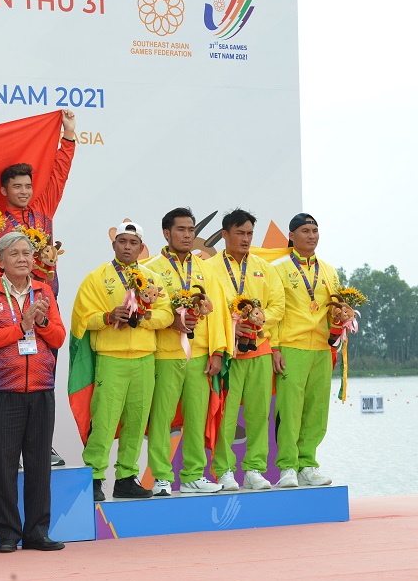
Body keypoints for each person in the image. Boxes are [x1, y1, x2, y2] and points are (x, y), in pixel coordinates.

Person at [0, 232, 66, 553]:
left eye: (27, 252)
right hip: (3, 391)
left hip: (41, 389)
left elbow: (58, 337)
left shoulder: (43, 291)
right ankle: (8, 534)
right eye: (15, 254)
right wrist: (21, 327)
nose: (23, 258)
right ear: (0, 260)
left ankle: (37, 532)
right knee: (5, 465)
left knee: (39, 465)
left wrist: (40, 322)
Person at [0, 110, 76, 467]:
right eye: (17, 187)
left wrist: (68, 137)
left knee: (44, 375)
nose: (24, 192)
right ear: (4, 190)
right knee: (10, 380)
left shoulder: (43, 212)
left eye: (28, 186)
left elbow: (59, 174)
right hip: (8, 308)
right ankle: (9, 449)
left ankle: (44, 446)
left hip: (44, 303)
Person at [72, 222, 174, 501]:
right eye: (122, 242)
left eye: (133, 243)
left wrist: (145, 317)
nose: (127, 247)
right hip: (111, 358)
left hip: (144, 359)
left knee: (137, 422)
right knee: (104, 422)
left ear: (141, 248)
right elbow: (82, 318)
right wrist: (107, 317)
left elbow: (167, 315)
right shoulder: (96, 278)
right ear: (113, 245)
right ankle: (94, 478)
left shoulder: (152, 278)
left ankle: (127, 478)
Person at [144, 209, 227, 496]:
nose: (188, 235)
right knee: (161, 418)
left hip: (200, 354)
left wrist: (218, 352)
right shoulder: (150, 269)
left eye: (191, 229)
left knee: (196, 417)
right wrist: (171, 321)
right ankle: (161, 477)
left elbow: (218, 313)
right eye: (181, 229)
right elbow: (148, 309)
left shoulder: (206, 268)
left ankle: (193, 475)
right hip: (166, 353)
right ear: (167, 233)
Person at [205, 209, 285, 491]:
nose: (246, 238)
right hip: (229, 352)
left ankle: (254, 469)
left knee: (259, 413)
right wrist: (231, 326)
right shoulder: (209, 268)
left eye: (250, 233)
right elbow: (207, 309)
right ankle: (224, 470)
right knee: (226, 415)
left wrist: (258, 320)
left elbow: (278, 306)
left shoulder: (265, 268)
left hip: (259, 349)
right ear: (224, 235)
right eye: (239, 233)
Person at [271, 213, 337, 488]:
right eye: (305, 231)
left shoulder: (329, 270)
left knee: (317, 409)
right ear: (291, 235)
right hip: (292, 347)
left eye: (315, 231)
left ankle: (308, 464)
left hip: (321, 348)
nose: (312, 236)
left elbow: (334, 310)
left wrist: (341, 322)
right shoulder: (278, 269)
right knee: (290, 410)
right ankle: (288, 466)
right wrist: (274, 347)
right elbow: (274, 311)